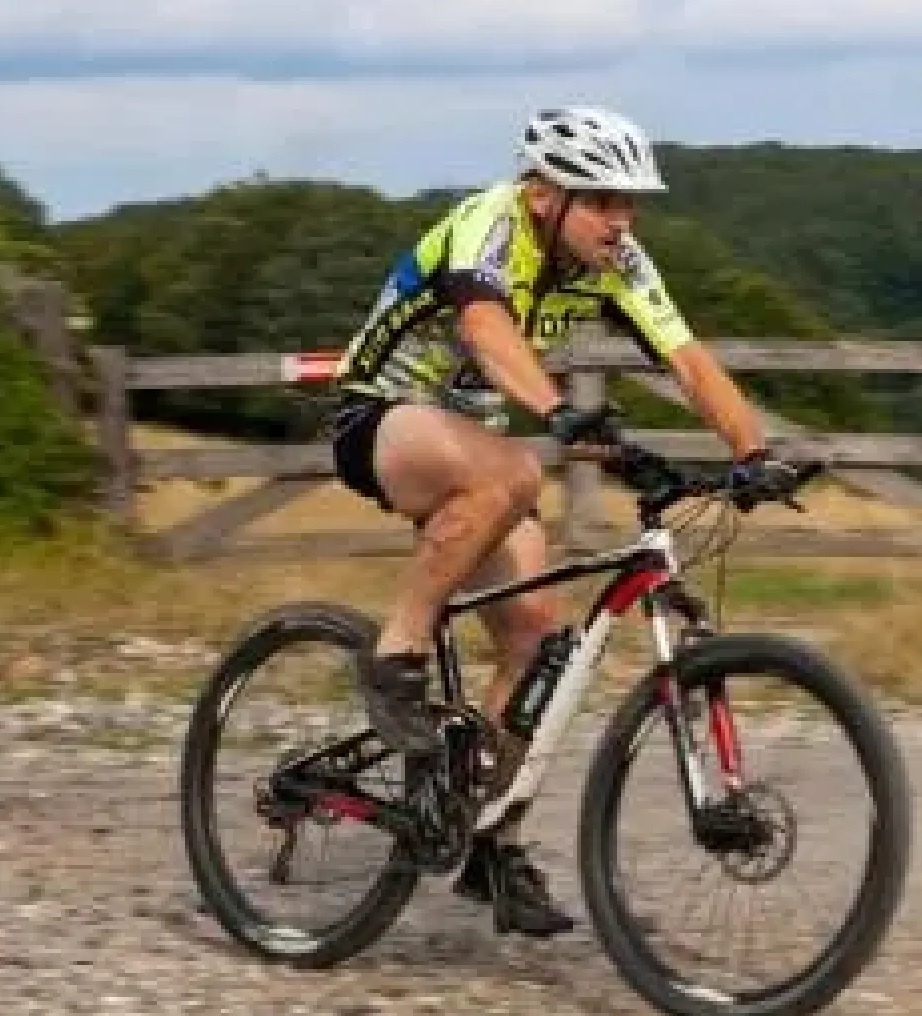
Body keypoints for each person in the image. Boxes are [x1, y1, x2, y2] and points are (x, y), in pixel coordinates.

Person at [327, 104, 800, 937]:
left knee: (536, 637)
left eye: (631, 204)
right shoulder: (489, 225)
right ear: (545, 195)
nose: (622, 221)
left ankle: (487, 840)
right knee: (513, 470)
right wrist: (557, 411)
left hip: (473, 436)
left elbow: (688, 361)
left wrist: (754, 451)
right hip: (382, 417)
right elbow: (484, 326)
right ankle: (395, 652)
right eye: (604, 201)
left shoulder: (620, 263)